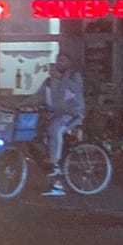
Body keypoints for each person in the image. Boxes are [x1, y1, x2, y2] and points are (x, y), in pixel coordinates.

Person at [41, 54, 85, 197]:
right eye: (58, 60)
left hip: (73, 113)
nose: (59, 63)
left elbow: (75, 93)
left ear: (69, 62)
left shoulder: (74, 75)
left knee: (55, 129)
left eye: (63, 60)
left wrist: (59, 78)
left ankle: (55, 166)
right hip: (60, 114)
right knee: (46, 136)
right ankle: (56, 182)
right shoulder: (53, 79)